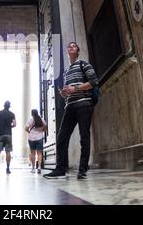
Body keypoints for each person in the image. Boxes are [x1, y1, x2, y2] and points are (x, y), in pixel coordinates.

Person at [44, 42, 99, 180]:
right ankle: (60, 169)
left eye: (74, 46)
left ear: (78, 50)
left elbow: (94, 82)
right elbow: (69, 89)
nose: (71, 47)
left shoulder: (84, 65)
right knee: (62, 137)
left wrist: (74, 89)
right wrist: (64, 93)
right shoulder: (66, 71)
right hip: (70, 106)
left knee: (84, 137)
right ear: (67, 51)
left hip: (84, 105)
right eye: (69, 46)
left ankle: (82, 170)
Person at [0, 101, 16, 175]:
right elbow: (15, 124)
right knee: (8, 152)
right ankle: (8, 168)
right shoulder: (12, 114)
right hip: (8, 134)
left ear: (4, 106)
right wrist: (10, 126)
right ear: (9, 106)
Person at [25, 109, 47, 174]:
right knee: (39, 153)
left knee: (33, 153)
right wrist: (42, 130)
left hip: (31, 138)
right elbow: (45, 127)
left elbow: (26, 128)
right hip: (39, 138)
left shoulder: (30, 119)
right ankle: (39, 167)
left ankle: (33, 168)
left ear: (32, 113)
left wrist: (29, 132)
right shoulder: (41, 119)